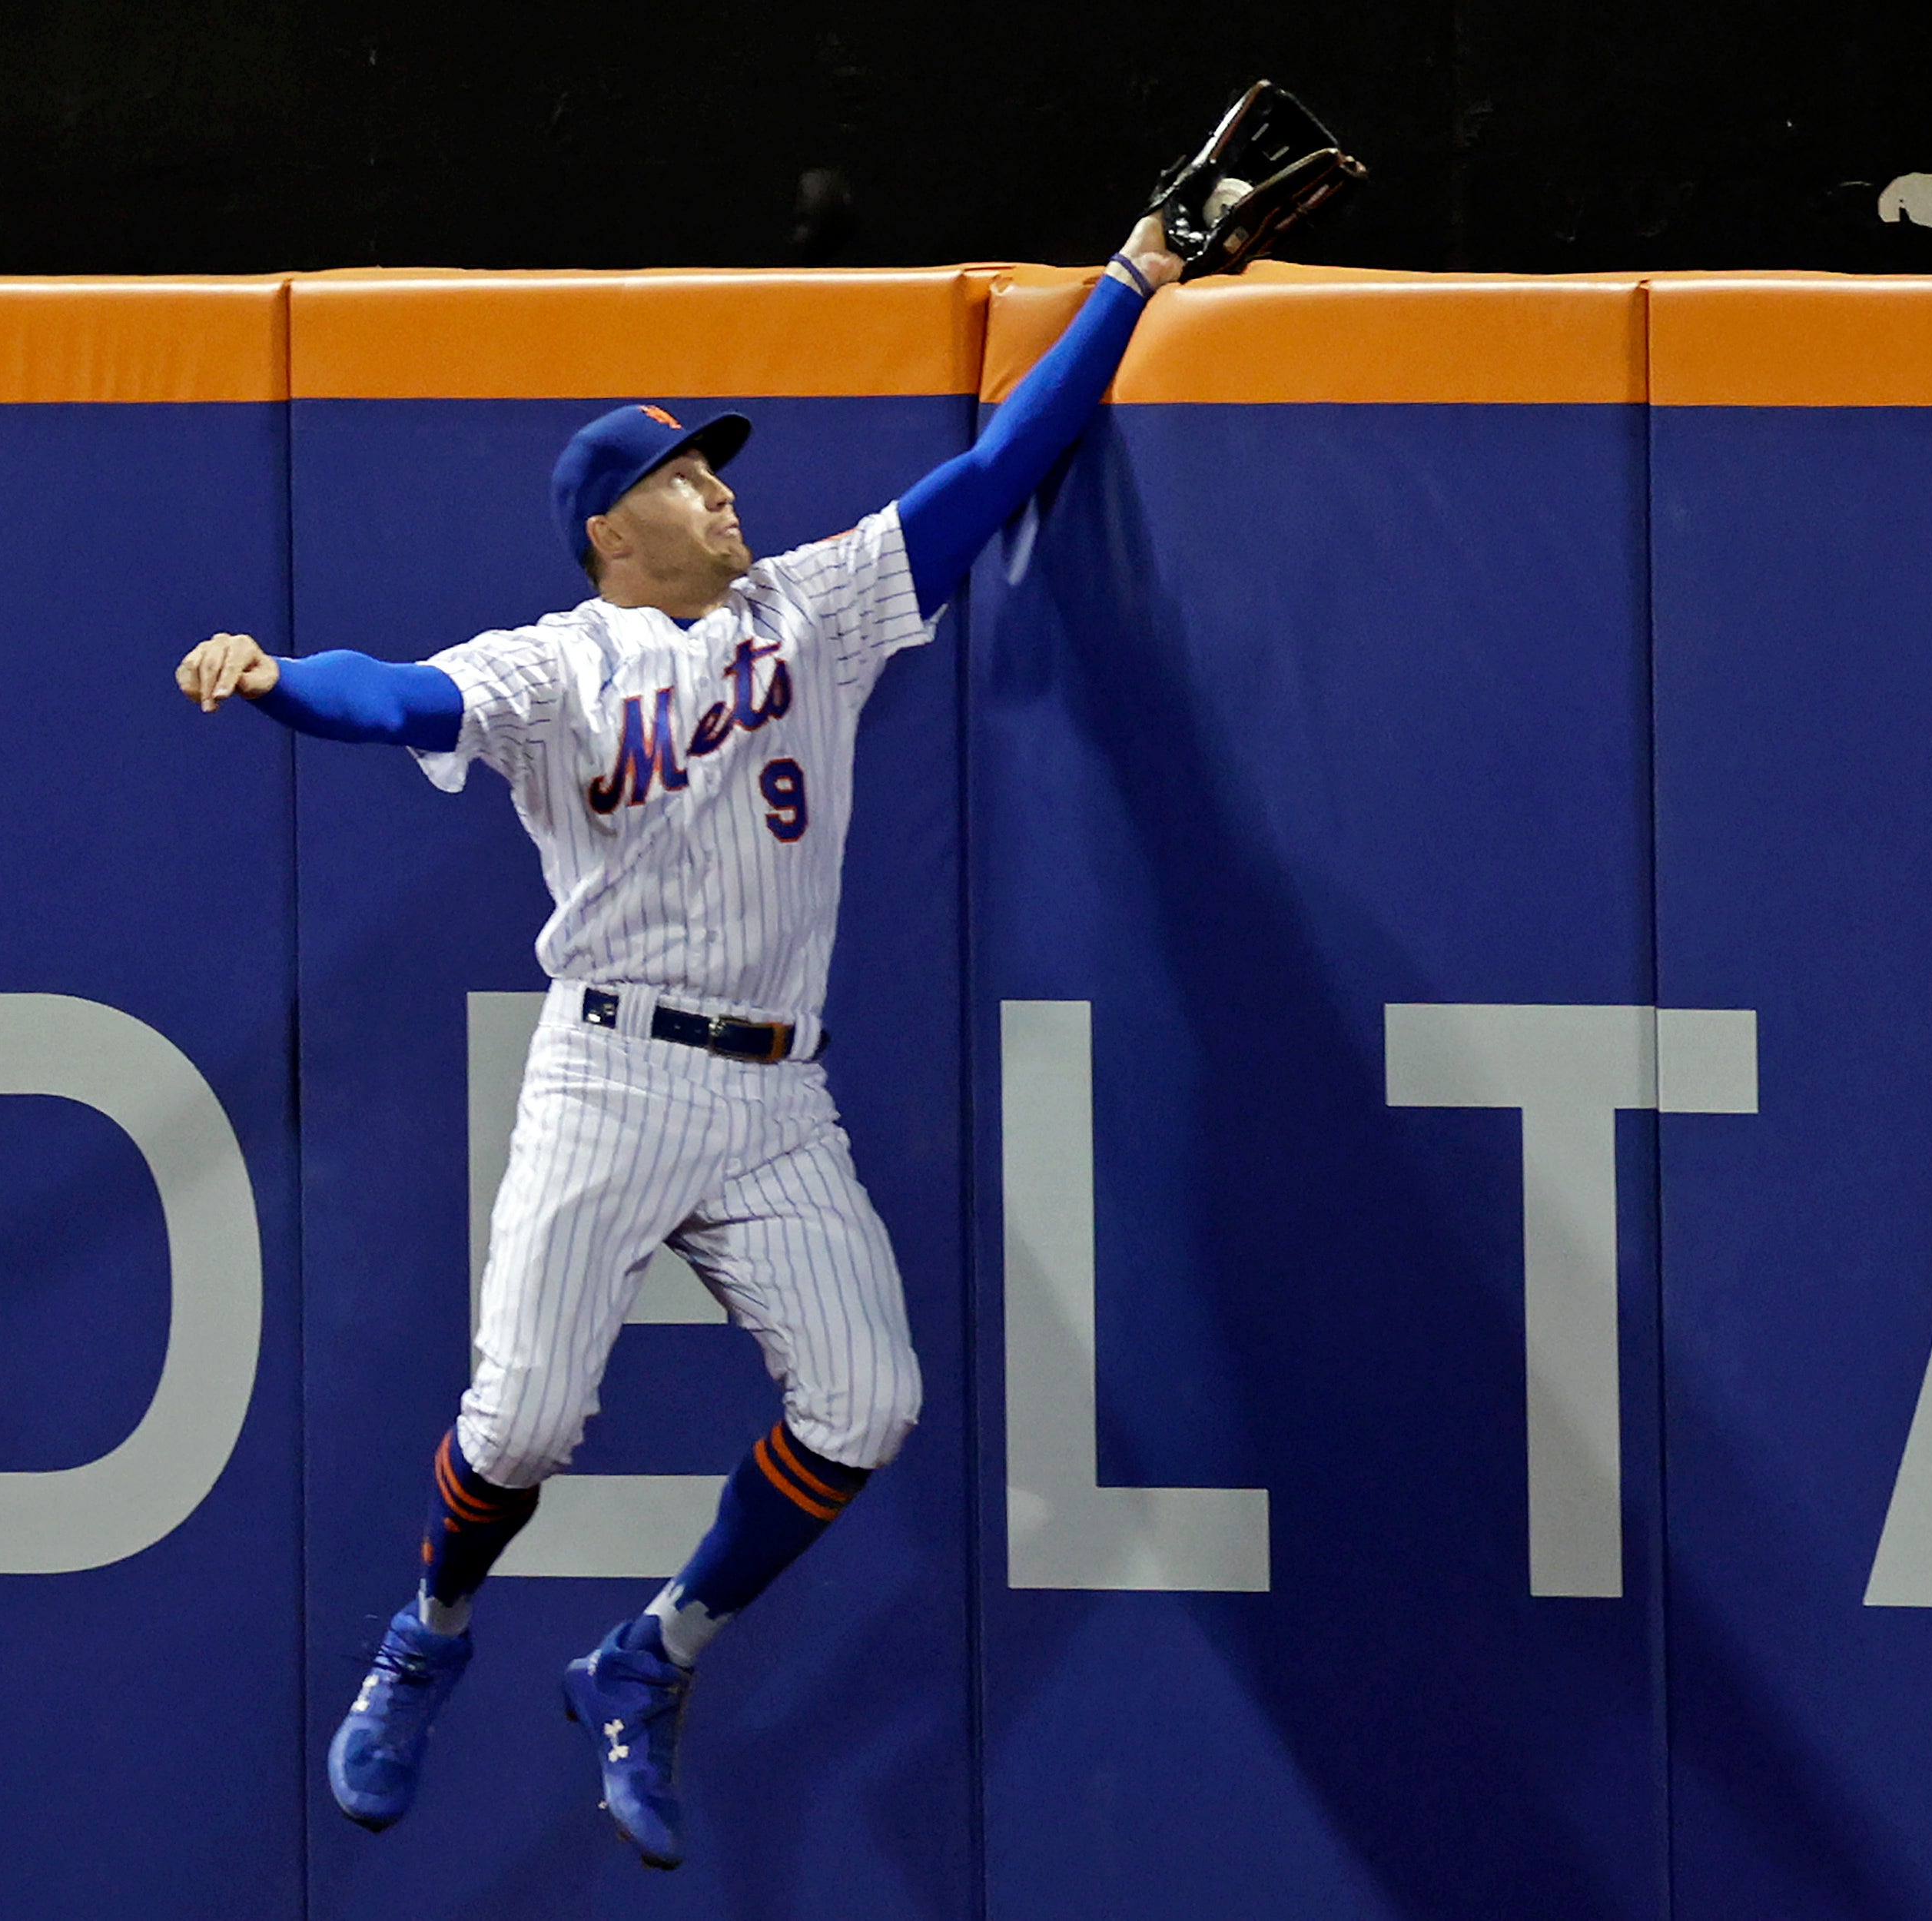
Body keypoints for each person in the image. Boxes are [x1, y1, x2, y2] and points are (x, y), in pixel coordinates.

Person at [175, 215, 1181, 1870]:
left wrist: (1133, 277)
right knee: (519, 1426)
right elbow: (392, 695)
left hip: (777, 1091)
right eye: (683, 476)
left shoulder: (817, 607)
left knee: (869, 1402)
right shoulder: (561, 663)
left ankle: (649, 1657)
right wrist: (278, 677)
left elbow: (1000, 469)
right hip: (612, 1072)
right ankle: (426, 1636)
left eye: (717, 470)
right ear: (608, 529)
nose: (720, 491)